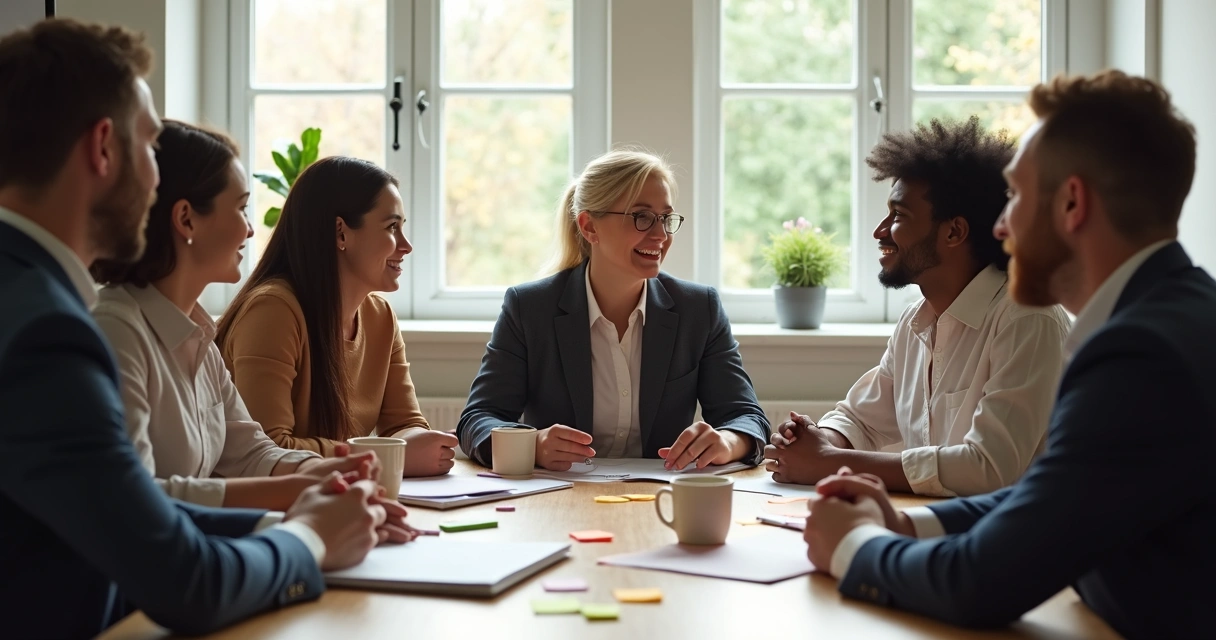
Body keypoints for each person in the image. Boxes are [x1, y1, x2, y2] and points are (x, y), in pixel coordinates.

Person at [0, 19, 413, 639]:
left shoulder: (40, 298)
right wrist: (307, 538)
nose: (155, 176)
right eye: (147, 145)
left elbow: (138, 517)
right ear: (103, 148)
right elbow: (180, 578)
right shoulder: (48, 330)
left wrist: (294, 508)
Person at [802, 70, 1215, 639]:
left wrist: (852, 546)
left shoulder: (1140, 355)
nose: (1000, 224)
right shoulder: (1165, 319)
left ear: (1072, 203)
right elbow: (1051, 501)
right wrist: (904, 521)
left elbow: (981, 583)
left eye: (1016, 195)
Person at [763, 117, 1071, 497]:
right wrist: (817, 440)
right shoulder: (915, 320)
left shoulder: (1028, 320)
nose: (880, 231)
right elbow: (861, 419)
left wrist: (827, 463)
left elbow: (988, 468)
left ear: (954, 232)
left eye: (899, 216)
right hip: (934, 529)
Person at [91, 120, 378, 510]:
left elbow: (250, 453)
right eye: (242, 209)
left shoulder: (197, 337)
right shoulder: (117, 333)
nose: (249, 231)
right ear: (187, 219)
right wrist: (298, 495)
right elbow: (136, 502)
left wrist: (329, 472)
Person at [457, 149, 769, 471]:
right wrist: (531, 445)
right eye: (642, 217)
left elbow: (746, 417)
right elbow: (477, 419)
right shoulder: (529, 309)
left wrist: (727, 442)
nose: (660, 235)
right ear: (590, 227)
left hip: (661, 497)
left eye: (666, 218)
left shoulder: (698, 310)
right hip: (559, 497)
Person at [215, 156, 458, 476]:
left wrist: (420, 442)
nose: (406, 246)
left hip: (329, 497)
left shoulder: (380, 316)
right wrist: (385, 457)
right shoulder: (272, 311)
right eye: (392, 227)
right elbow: (267, 452)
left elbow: (404, 424)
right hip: (262, 508)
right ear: (341, 233)